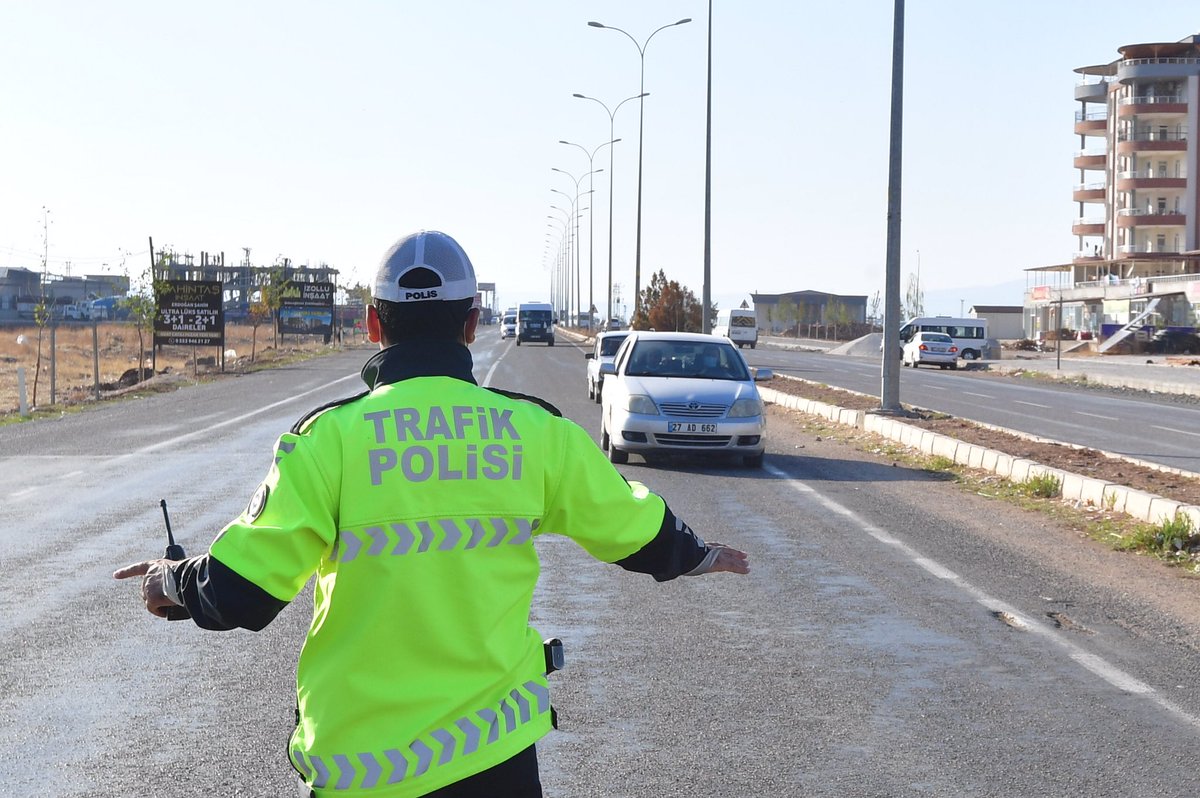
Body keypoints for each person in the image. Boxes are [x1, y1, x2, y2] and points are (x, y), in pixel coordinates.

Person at [114, 230, 749, 798]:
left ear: (371, 324)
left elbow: (241, 590)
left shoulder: (327, 441)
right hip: (495, 758)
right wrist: (697, 555)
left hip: (362, 770)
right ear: (473, 323)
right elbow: (629, 526)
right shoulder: (533, 431)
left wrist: (172, 581)